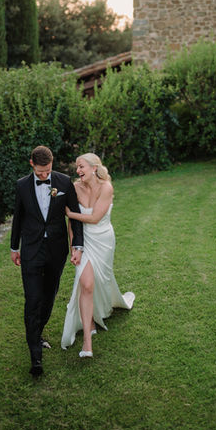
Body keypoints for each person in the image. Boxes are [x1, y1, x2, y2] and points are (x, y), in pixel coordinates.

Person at [10, 145, 84, 377]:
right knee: (32, 299)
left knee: (48, 296)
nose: (44, 175)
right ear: (32, 163)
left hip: (56, 250)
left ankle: (37, 333)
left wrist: (78, 246)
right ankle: (36, 358)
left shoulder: (63, 182)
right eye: (40, 172)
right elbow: (18, 217)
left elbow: (76, 214)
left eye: (48, 171)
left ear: (52, 164)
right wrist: (14, 247)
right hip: (31, 250)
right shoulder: (22, 185)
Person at [61, 153, 135, 357]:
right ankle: (87, 339)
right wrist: (74, 247)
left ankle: (99, 311)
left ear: (94, 168)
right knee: (85, 284)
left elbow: (93, 218)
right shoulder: (75, 188)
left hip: (103, 240)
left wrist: (69, 212)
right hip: (83, 242)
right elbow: (73, 224)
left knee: (99, 282)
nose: (78, 171)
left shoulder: (106, 188)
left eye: (81, 166)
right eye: (76, 167)